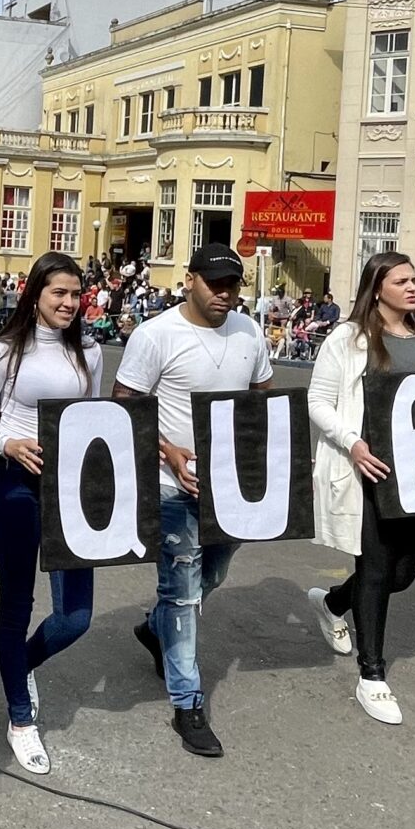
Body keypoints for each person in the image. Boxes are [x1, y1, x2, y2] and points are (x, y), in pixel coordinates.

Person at [304, 250, 415, 726]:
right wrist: (354, 443)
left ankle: (331, 602)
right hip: (368, 470)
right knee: (378, 569)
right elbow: (319, 401)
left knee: (402, 575)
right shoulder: (350, 337)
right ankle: (372, 674)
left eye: (414, 280)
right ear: (376, 286)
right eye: (401, 280)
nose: (412, 287)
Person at [112, 244, 273, 760]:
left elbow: (262, 396)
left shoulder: (249, 331)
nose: (225, 293)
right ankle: (188, 703)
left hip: (231, 486)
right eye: (214, 283)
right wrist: (169, 451)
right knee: (182, 590)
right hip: (171, 485)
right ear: (190, 281)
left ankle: (153, 627)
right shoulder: (155, 335)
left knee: (215, 574)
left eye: (233, 285)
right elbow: (125, 403)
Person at [0, 251, 104, 775]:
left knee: (76, 618)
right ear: (36, 294)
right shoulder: (4, 351)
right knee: (17, 604)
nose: (68, 303)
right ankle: (20, 719)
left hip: (70, 490)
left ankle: (20, 665)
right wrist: (8, 443)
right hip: (16, 486)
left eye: (75, 294)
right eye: (58, 293)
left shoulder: (90, 351)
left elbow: (94, 420)